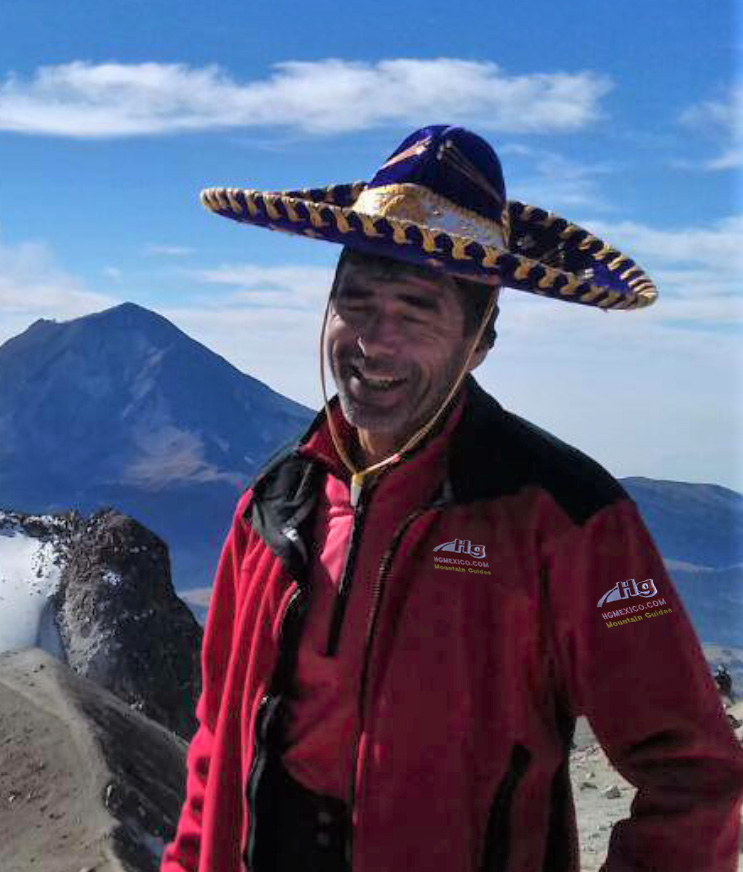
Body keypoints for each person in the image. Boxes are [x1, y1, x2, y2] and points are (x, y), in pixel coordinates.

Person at [161, 125, 743, 872]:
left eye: (415, 310)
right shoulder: (274, 506)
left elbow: (692, 771)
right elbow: (216, 745)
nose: (374, 343)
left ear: (481, 339)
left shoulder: (562, 518)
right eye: (357, 303)